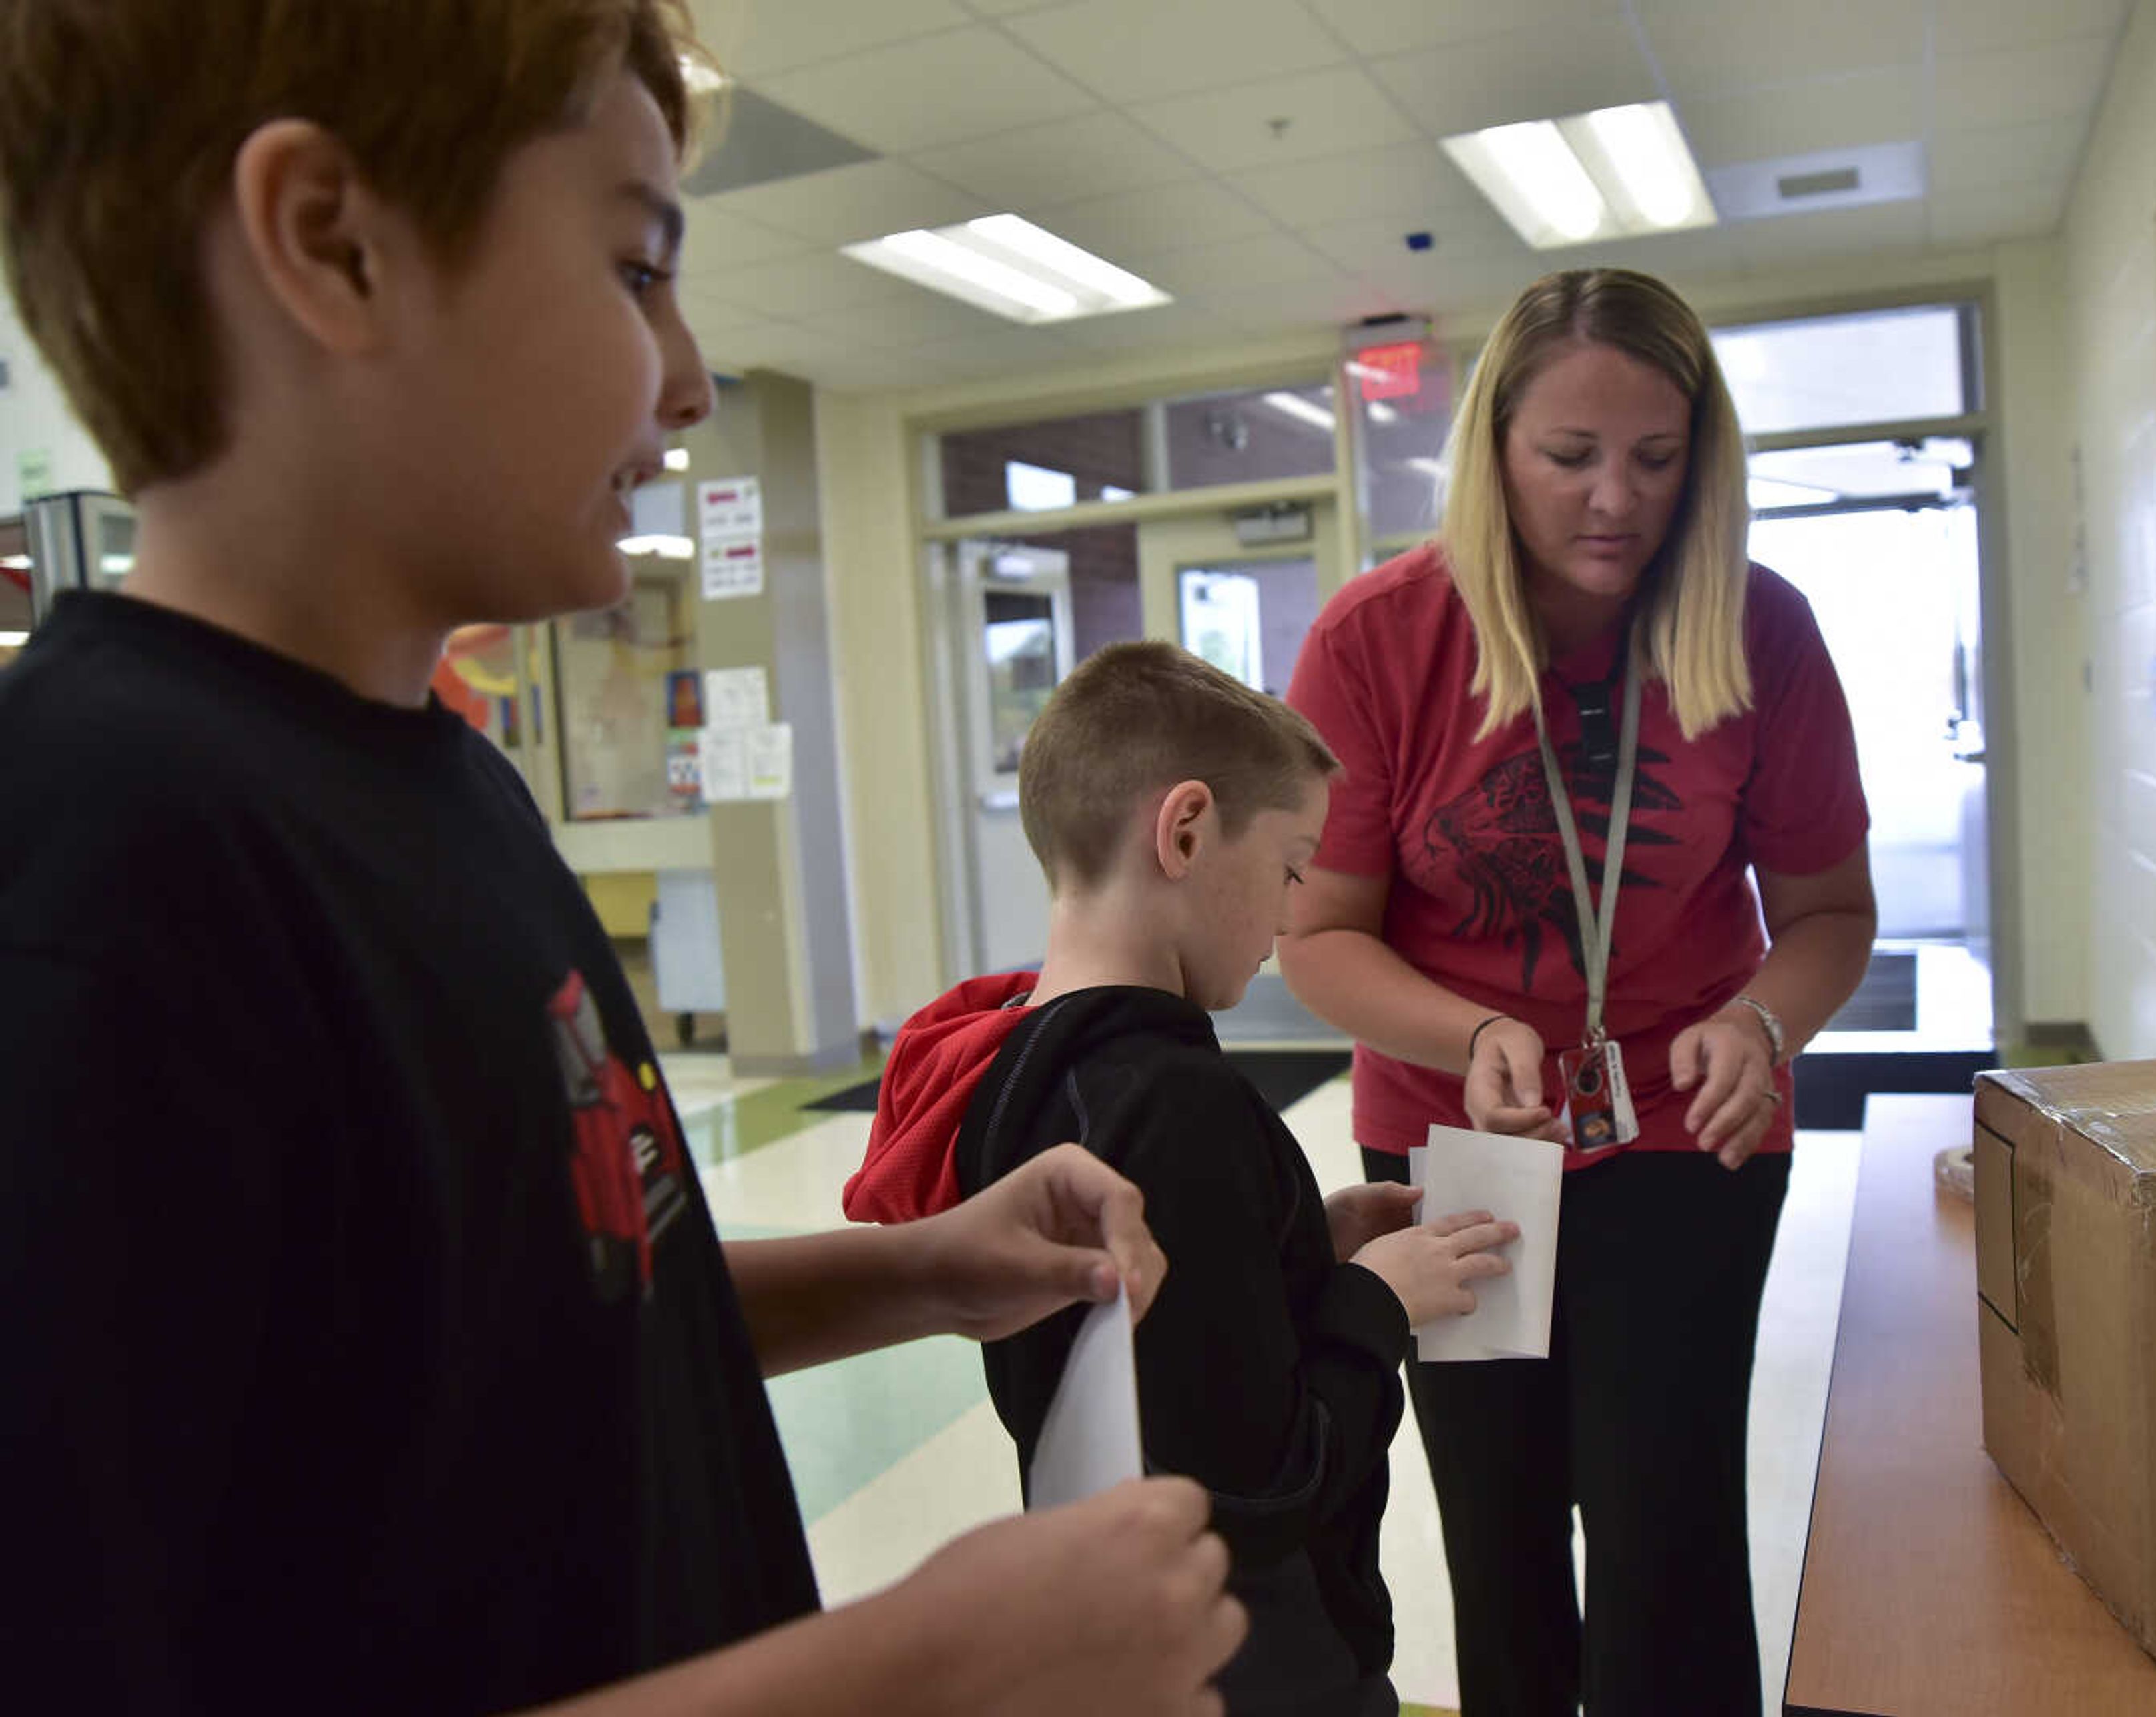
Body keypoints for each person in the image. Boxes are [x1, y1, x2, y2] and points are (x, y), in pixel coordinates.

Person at [0, 4, 1244, 1712]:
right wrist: (923, 1675)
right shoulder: (105, 880)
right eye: (637, 267)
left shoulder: (441, 783)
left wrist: (924, 1266)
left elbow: (527, 1308)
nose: (689, 376)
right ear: (332, 244)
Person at [1280, 268, 1879, 1716]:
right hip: (1462, 1152)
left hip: (1689, 1138)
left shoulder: (1761, 629)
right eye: (1570, 457)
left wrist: (1763, 1021)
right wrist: (1473, 1028)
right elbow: (1318, 937)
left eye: (1659, 459)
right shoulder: (1377, 642)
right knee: (1499, 1530)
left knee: (1666, 1528)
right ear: (1493, 451)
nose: (1617, 499)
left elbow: (1829, 913)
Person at [842, 639, 1519, 1717]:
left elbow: (1178, 1357)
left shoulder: (1023, 1064)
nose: (1293, 914)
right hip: (1262, 1661)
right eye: (1291, 866)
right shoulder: (1172, 1101)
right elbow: (1263, 1480)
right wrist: (1377, 1303)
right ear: (1188, 829)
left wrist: (1301, 1246)